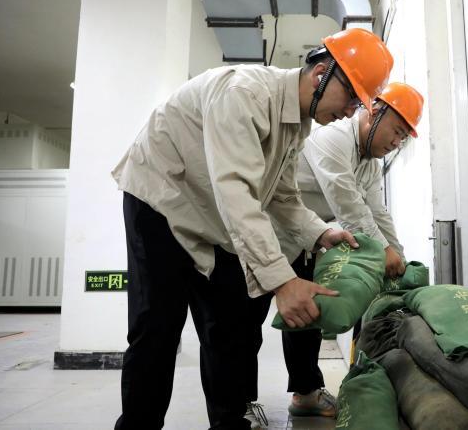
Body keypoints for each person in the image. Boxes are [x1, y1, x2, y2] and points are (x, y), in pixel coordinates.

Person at [110, 28, 394, 430]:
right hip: (161, 203)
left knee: (228, 329)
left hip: (212, 217)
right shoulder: (243, 94)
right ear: (321, 74)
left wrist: (318, 232)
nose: (351, 112)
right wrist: (283, 282)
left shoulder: (297, 124)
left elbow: (280, 195)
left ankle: (230, 423)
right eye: (351, 98)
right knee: (156, 330)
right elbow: (236, 194)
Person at [272, 82, 424, 418]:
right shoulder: (333, 138)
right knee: (243, 319)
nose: (396, 143)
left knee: (307, 314)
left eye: (402, 139)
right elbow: (347, 204)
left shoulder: (368, 162)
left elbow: (376, 210)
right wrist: (382, 251)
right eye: (396, 132)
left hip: (305, 236)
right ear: (373, 112)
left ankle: (305, 394)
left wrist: (397, 252)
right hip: (269, 230)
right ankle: (236, 406)